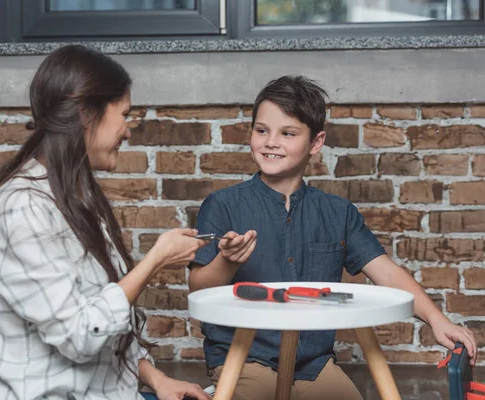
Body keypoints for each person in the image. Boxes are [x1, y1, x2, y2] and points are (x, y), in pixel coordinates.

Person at [188, 75, 478, 400]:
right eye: (261, 130)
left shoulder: (338, 213)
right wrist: (227, 260)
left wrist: (437, 320)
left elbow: (387, 273)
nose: (271, 142)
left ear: (315, 142)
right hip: (245, 360)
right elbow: (199, 290)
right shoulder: (223, 205)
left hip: (313, 364)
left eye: (287, 133)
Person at [0, 45, 212, 400]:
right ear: (86, 113)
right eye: (125, 114)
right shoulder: (21, 208)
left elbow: (104, 325)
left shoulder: (73, 194)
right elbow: (81, 335)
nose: (128, 131)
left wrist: (157, 379)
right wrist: (154, 263)